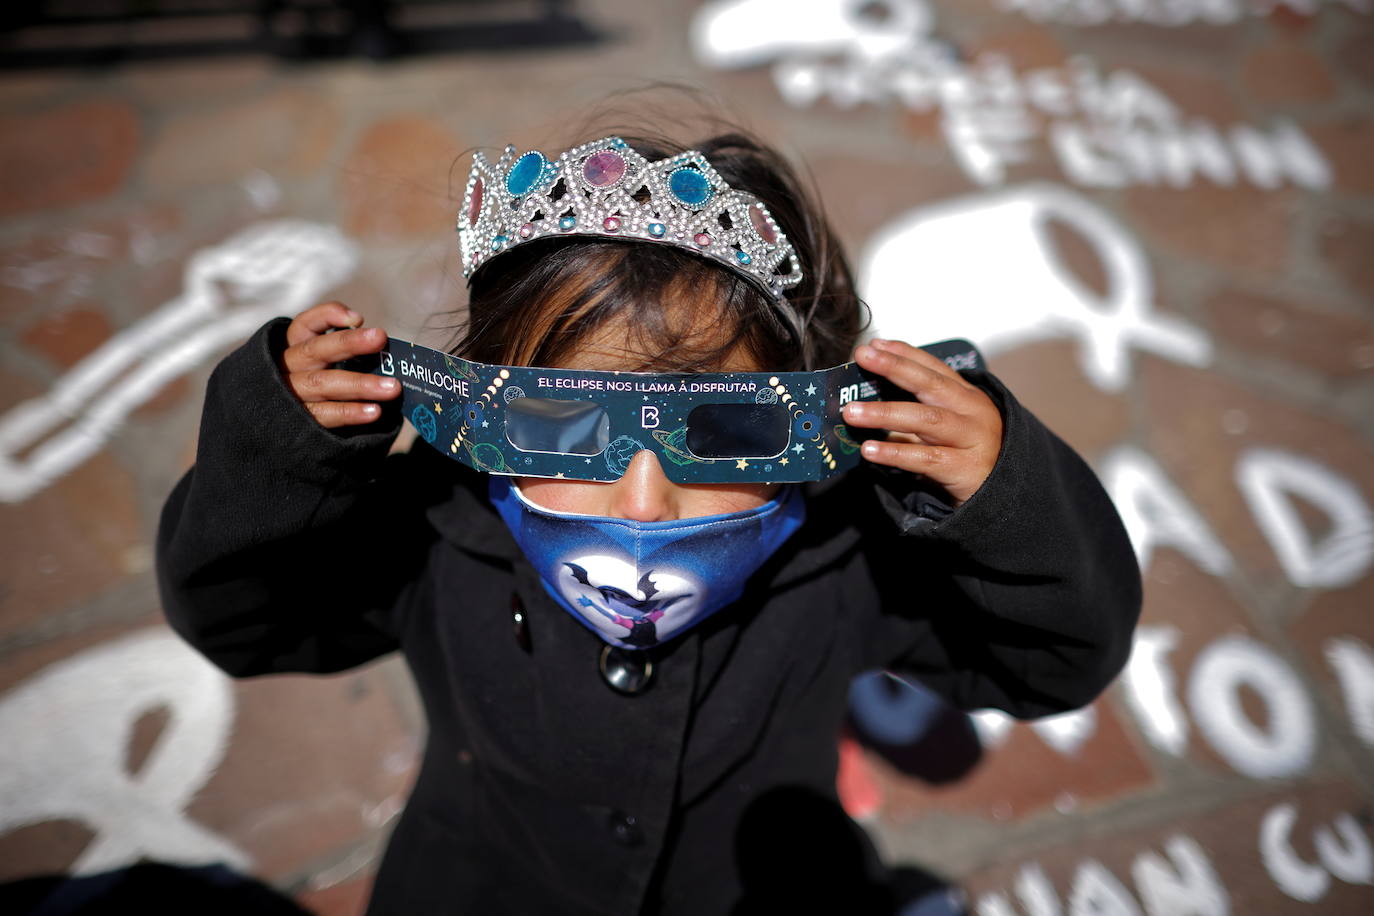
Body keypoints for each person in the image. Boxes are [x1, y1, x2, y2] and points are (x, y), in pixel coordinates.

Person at [157, 124, 1142, 915]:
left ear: (811, 429)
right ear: (485, 416)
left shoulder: (844, 555)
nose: (640, 498)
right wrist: (280, 457)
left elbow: (1053, 660)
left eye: (723, 430)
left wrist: (1004, 491)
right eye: (557, 424)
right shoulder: (436, 526)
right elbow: (247, 623)